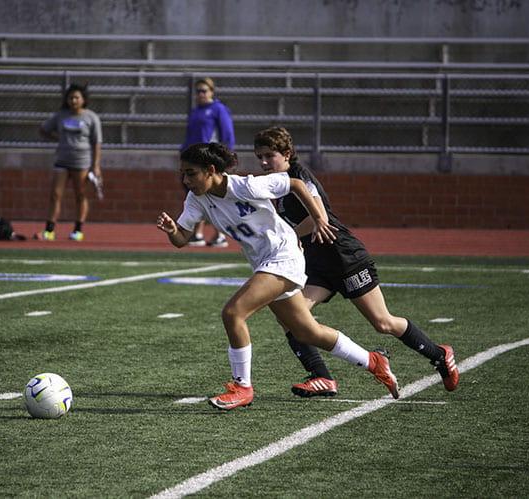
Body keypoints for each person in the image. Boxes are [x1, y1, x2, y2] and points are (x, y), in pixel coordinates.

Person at [156, 142, 400, 410]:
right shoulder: (196, 199)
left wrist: (319, 218)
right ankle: (374, 361)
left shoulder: (245, 186)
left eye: (190, 173)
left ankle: (242, 386)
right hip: (265, 261)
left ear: (211, 170)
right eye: (183, 174)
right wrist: (171, 231)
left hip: (283, 256)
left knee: (233, 313)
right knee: (307, 331)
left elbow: (295, 184)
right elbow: (182, 239)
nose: (185, 180)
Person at [253, 126, 459, 397]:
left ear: (287, 153)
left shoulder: (300, 177)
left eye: (270, 155)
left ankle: (439, 354)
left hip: (345, 258)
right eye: (260, 157)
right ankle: (322, 377)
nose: (264, 162)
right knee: (291, 317)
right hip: (318, 266)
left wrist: (288, 234)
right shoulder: (275, 184)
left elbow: (321, 218)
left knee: (383, 323)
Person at [36, 83, 102, 242]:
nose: (73, 100)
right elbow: (43, 129)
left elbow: (97, 142)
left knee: (80, 195)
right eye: (71, 97)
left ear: (83, 99)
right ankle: (49, 230)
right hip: (62, 160)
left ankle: (78, 230)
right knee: (55, 194)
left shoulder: (91, 117)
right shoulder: (61, 116)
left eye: (77, 97)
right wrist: (58, 139)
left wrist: (96, 165)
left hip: (82, 162)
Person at [181, 77, 234, 248]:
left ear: (212, 92)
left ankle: (220, 235)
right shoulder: (196, 111)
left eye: (204, 91)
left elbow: (226, 134)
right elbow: (189, 136)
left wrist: (223, 158)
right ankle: (198, 233)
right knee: (199, 194)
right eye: (198, 91)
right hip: (195, 159)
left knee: (215, 195)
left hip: (209, 159)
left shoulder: (218, 109)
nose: (201, 94)